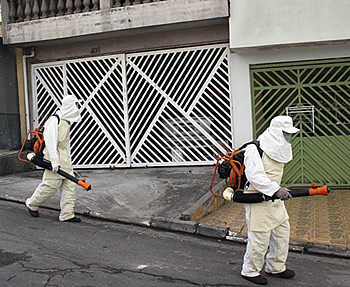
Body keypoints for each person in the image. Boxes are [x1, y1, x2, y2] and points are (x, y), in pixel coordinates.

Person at [240, 115, 299, 285]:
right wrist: (275, 189)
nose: (288, 137)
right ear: (275, 132)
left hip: (274, 198)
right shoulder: (254, 149)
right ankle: (250, 270)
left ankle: (276, 266)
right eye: (285, 133)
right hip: (256, 198)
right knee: (259, 236)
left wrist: (277, 190)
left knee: (282, 231)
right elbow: (255, 176)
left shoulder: (278, 148)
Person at [26, 94, 82, 223]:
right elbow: (50, 142)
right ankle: (32, 203)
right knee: (51, 185)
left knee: (70, 184)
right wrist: (54, 161)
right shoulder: (54, 120)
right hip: (52, 155)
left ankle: (67, 214)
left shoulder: (66, 120)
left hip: (63, 156)